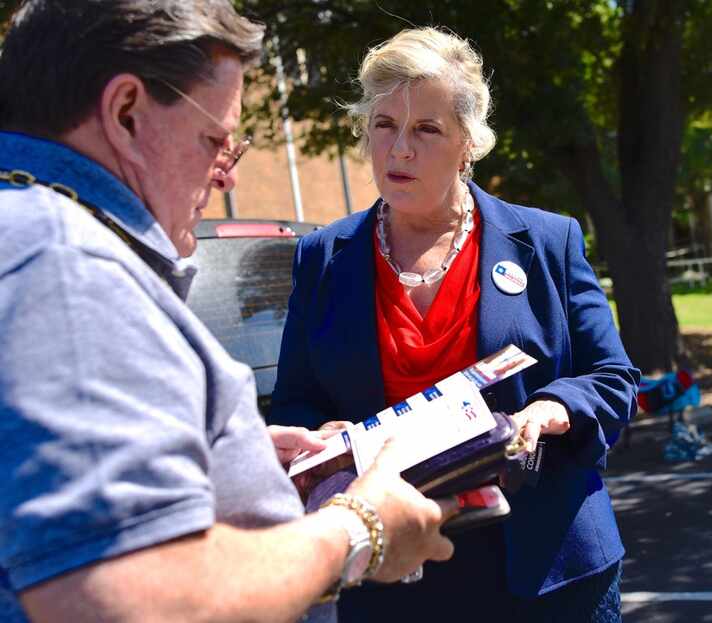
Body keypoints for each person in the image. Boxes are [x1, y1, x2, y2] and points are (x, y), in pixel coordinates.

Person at [0, 3, 457, 623]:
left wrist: (221, 450)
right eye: (214, 139)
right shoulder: (64, 264)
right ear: (126, 113)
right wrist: (359, 528)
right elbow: (130, 598)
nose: (222, 179)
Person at [271, 27, 640, 622]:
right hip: (391, 575)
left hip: (547, 572)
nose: (399, 151)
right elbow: (294, 403)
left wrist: (550, 410)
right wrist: (325, 441)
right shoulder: (322, 256)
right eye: (384, 125)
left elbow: (612, 375)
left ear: (468, 142)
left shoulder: (546, 241)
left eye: (426, 130)